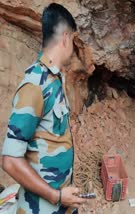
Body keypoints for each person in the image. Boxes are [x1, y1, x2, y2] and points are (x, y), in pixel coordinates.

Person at [2, 3, 87, 213]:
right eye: (73, 41)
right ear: (66, 38)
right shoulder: (35, 85)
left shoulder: (55, 79)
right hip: (42, 207)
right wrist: (56, 196)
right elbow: (11, 161)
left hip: (60, 203)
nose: (73, 48)